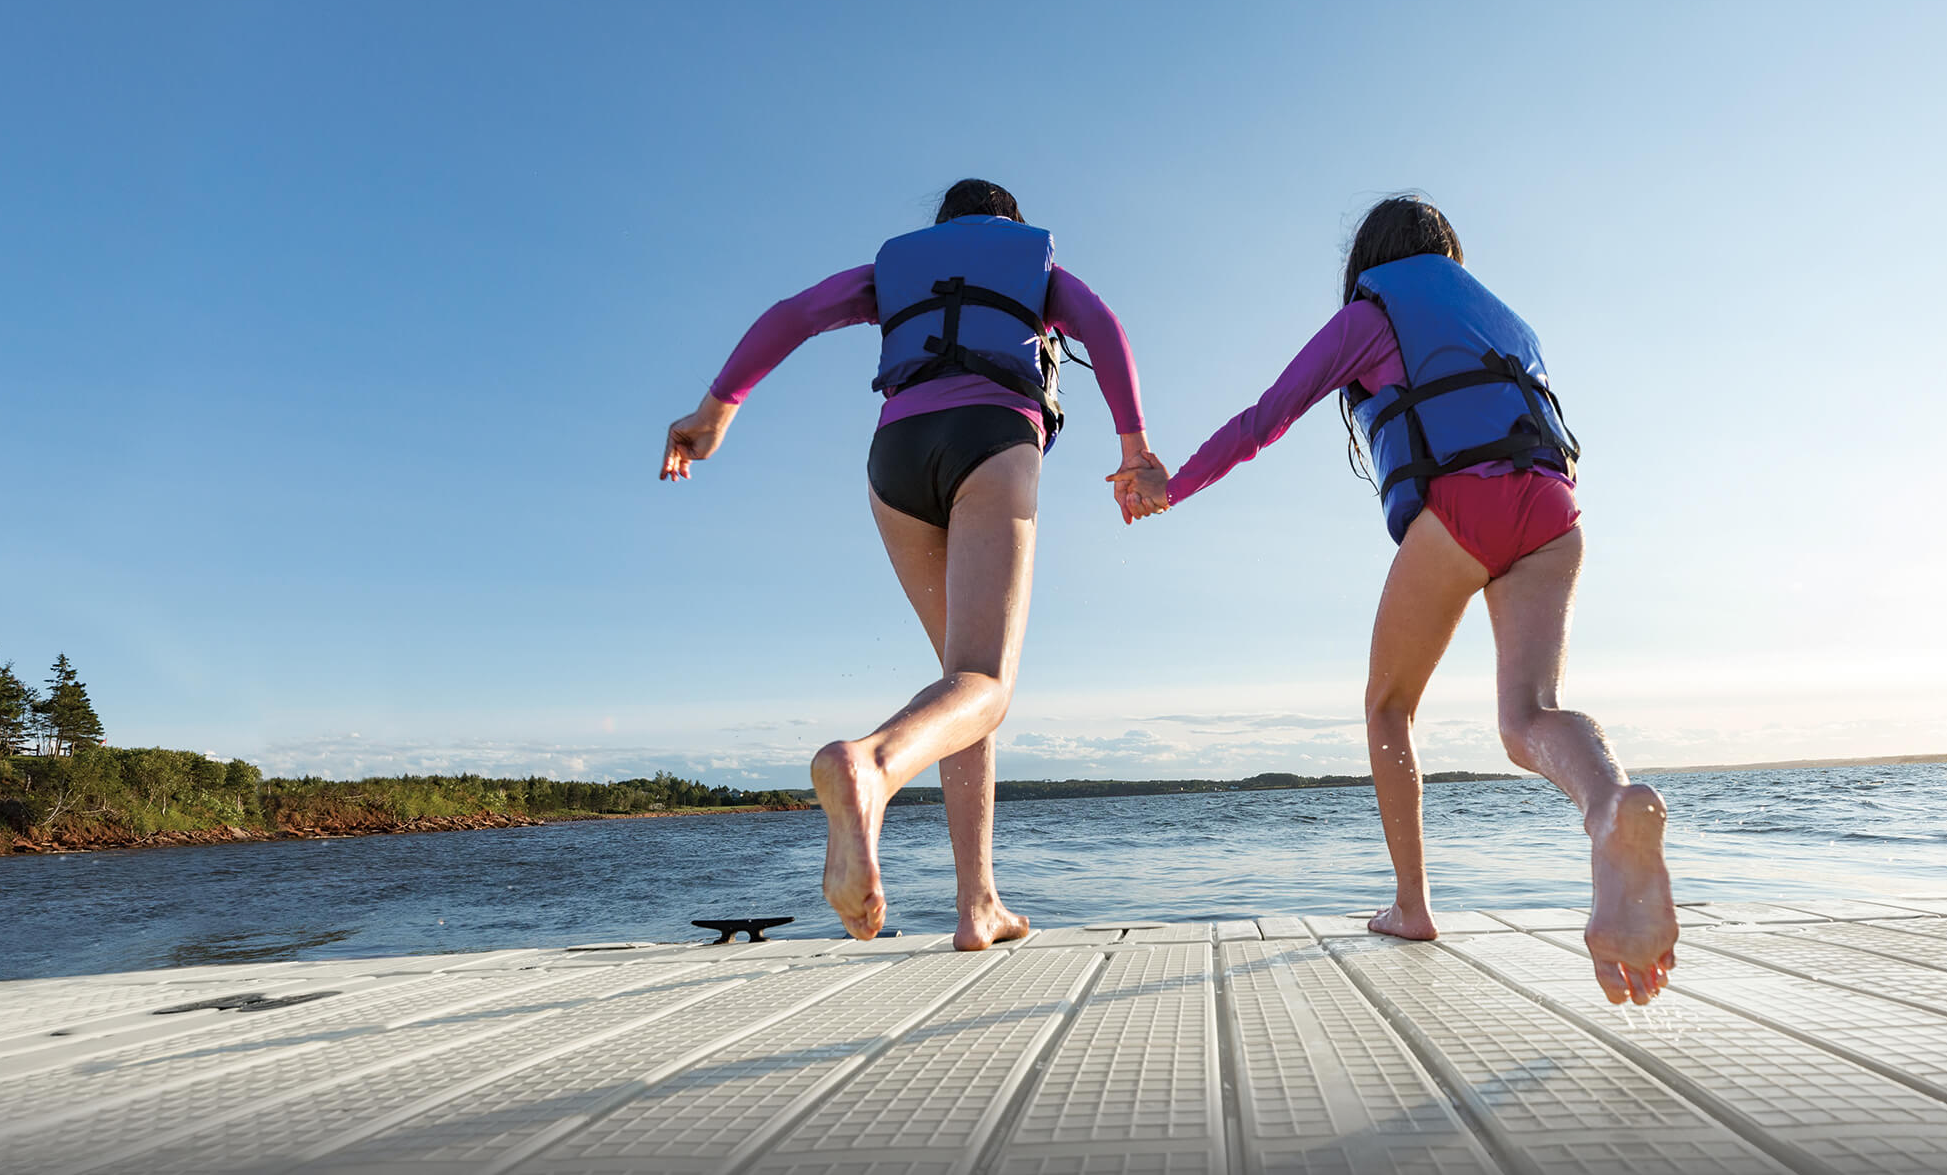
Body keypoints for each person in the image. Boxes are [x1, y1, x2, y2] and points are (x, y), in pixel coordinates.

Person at [1112, 194, 1678, 1004]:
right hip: (1554, 511)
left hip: (1464, 505)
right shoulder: (1507, 319)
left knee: (1388, 706)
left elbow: (1262, 420)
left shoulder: (1371, 313)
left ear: (1370, 257)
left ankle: (1413, 907)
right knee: (1530, 717)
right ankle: (1609, 804)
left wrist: (1173, 484)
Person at [662, 179, 1154, 950]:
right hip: (990, 438)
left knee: (959, 687)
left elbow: (792, 316)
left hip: (895, 459)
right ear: (1009, 226)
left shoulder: (891, 273)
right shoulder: (1036, 272)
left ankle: (978, 904)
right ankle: (871, 767)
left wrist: (715, 410)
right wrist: (1134, 450)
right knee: (986, 685)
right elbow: (1100, 323)